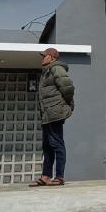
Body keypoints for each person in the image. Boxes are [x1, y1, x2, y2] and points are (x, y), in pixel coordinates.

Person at [30, 47, 74, 186]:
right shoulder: (46, 72)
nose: (42, 58)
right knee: (47, 146)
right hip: (47, 114)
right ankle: (46, 176)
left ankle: (59, 177)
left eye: (44, 56)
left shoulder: (56, 68)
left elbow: (68, 87)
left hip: (55, 113)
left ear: (52, 58)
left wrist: (65, 105)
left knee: (57, 144)